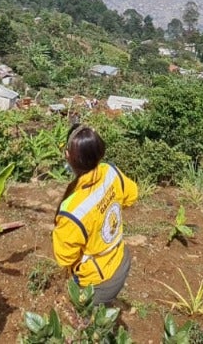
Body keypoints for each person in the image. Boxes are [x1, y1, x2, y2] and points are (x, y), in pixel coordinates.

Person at [52, 125, 138, 306]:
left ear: (68, 156)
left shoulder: (72, 212)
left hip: (98, 280)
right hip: (121, 257)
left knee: (90, 327)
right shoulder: (110, 171)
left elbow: (65, 258)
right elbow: (132, 195)